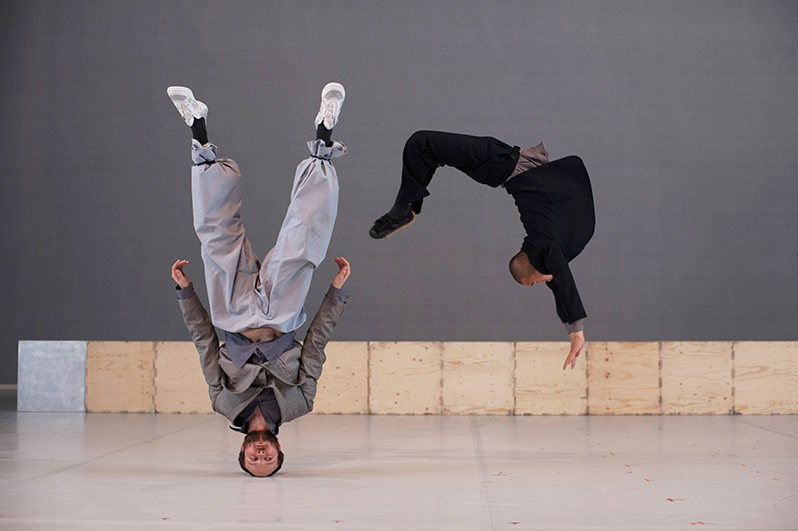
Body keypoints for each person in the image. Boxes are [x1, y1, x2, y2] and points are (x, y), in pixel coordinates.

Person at [167, 83, 351, 476]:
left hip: (231, 315)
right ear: (279, 450)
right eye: (269, 460)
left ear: (243, 453)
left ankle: (198, 133)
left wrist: (186, 295)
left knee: (216, 238)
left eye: (254, 461)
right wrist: (335, 294)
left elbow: (204, 345)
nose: (261, 454)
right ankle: (324, 136)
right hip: (280, 316)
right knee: (301, 239)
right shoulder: (299, 404)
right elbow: (316, 345)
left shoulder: (223, 404)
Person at [369, 131, 594, 370]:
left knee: (424, 146)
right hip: (501, 163)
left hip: (501, 164)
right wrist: (575, 332)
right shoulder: (547, 245)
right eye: (536, 283)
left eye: (535, 283)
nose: (542, 284)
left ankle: (405, 208)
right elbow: (560, 279)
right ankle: (405, 208)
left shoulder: (545, 243)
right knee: (422, 145)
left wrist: (573, 327)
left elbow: (556, 275)